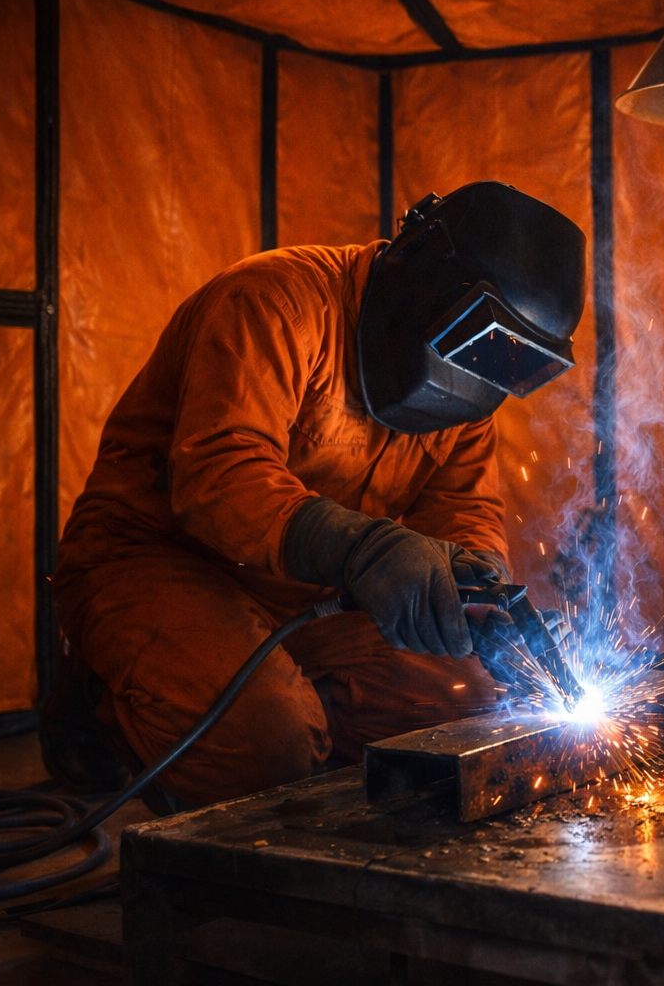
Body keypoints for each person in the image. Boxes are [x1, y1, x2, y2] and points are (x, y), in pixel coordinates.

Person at [40, 183, 584, 812]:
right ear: (422, 278)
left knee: (479, 708)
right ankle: (107, 697)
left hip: (315, 598)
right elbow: (218, 474)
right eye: (478, 340)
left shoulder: (471, 386)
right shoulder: (274, 302)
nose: (483, 370)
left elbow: (462, 508)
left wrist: (474, 590)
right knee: (266, 748)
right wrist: (365, 550)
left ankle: (274, 699)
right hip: (157, 561)